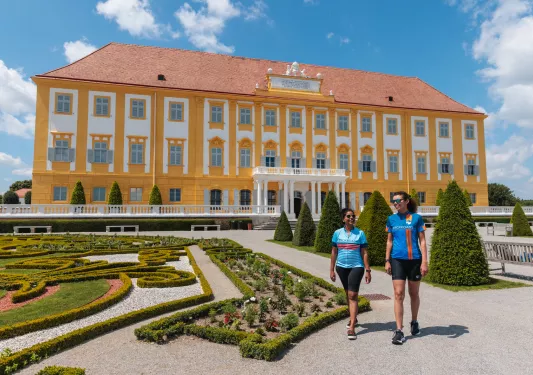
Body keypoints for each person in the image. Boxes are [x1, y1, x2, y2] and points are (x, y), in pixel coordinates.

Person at [385, 191, 428, 345]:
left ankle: (414, 321)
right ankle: (398, 330)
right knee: (398, 294)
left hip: (414, 260)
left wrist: (424, 262)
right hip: (397, 260)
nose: (395, 203)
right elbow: (389, 241)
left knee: (414, 293)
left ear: (407, 201)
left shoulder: (416, 218)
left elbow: (422, 241)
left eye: (398, 200)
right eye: (393, 201)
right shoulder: (391, 219)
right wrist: (387, 260)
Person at [330, 208, 371, 340]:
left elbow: (364, 252)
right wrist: (331, 269)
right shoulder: (337, 233)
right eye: (348, 216)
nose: (351, 218)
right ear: (343, 219)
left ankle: (352, 326)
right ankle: (354, 318)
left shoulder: (360, 233)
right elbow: (334, 252)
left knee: (353, 295)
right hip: (341, 267)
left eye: (353, 216)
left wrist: (368, 270)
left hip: (357, 266)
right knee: (348, 293)